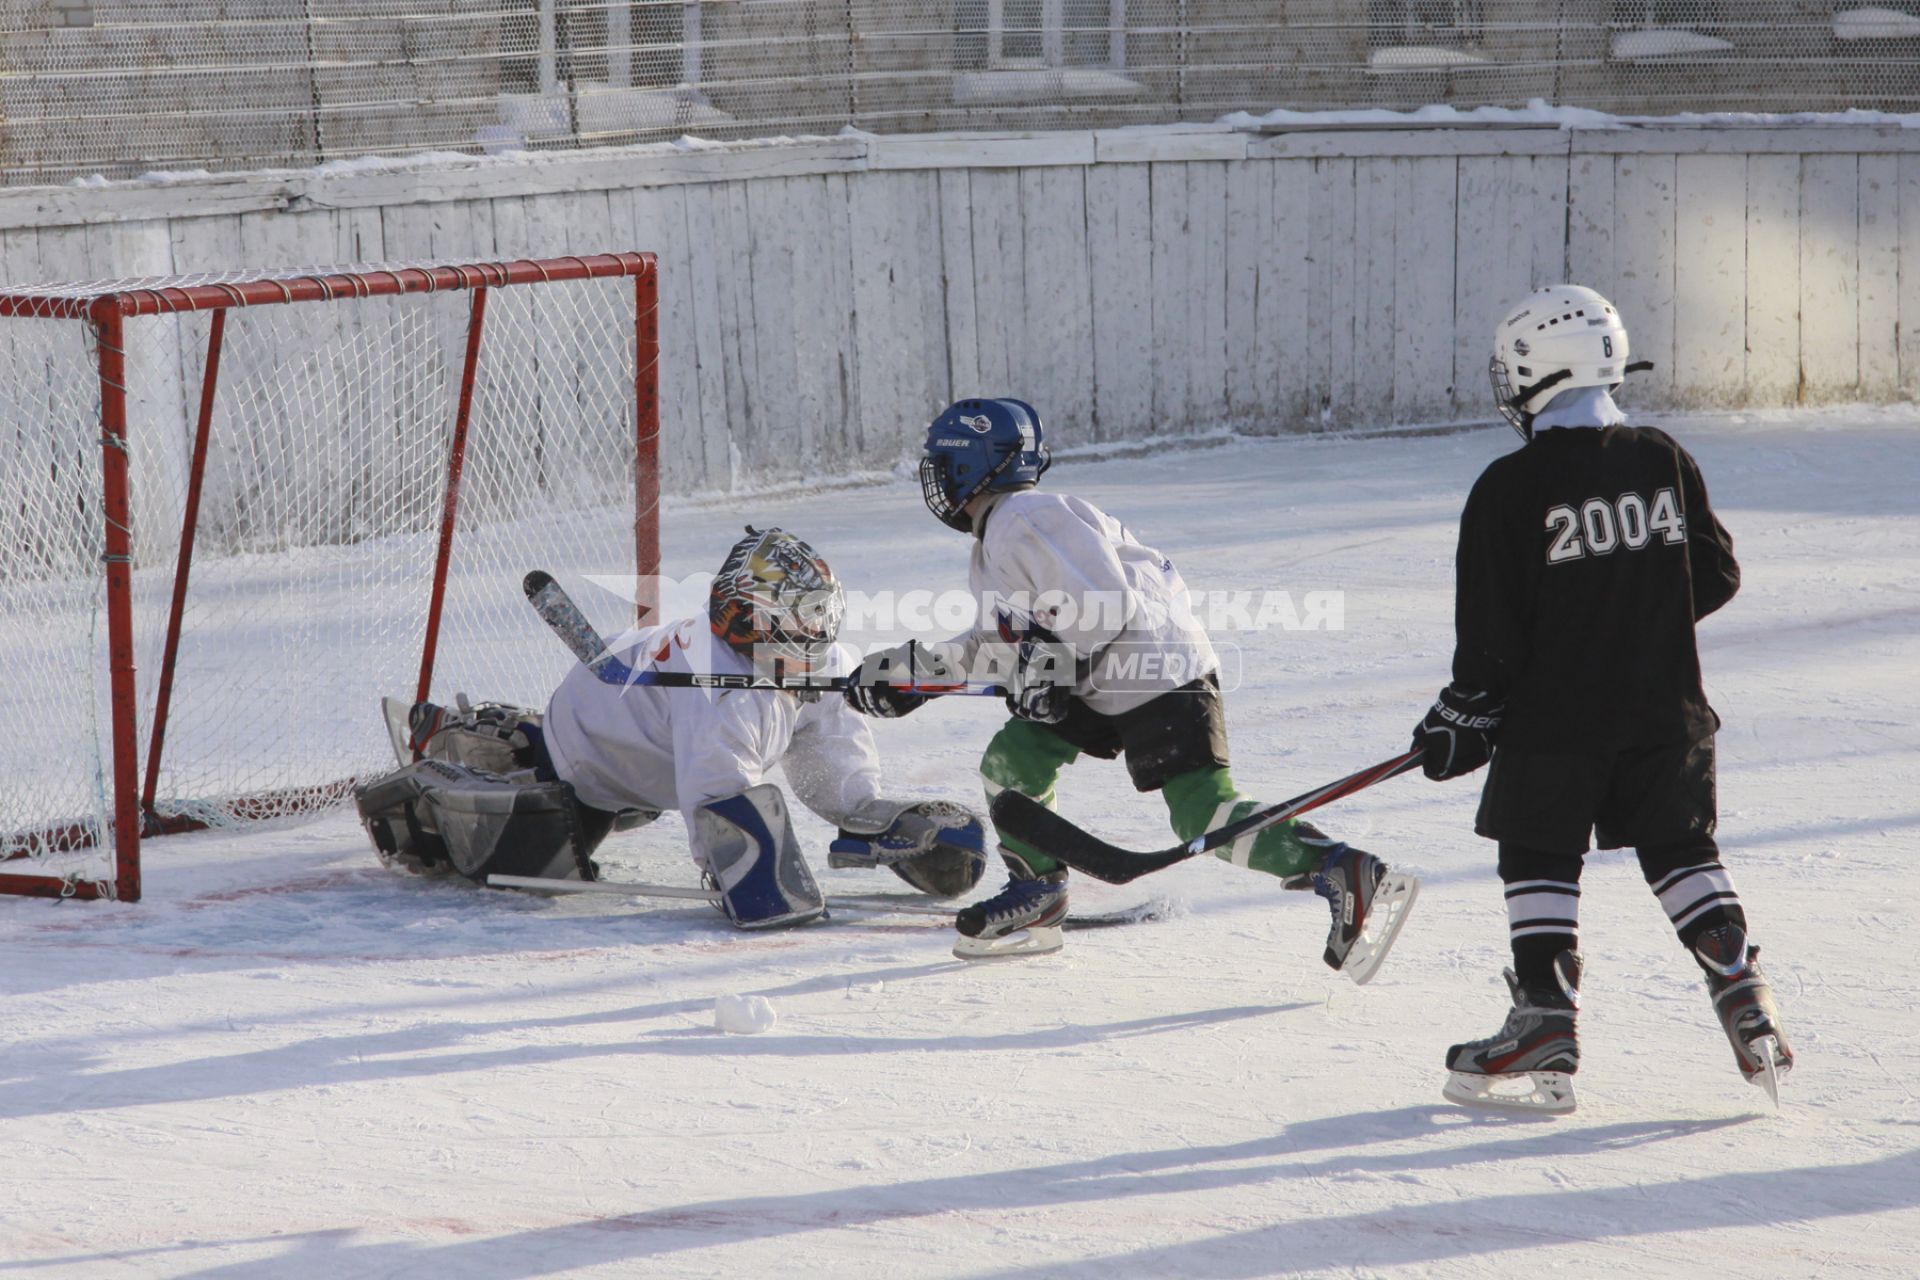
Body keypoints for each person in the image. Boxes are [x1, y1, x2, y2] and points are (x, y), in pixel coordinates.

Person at [843, 398, 1418, 968]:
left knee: (1198, 811)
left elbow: (1102, 607)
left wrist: (1045, 667)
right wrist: (909, 675)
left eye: (944, 462)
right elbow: (997, 645)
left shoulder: (1025, 517)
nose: (936, 477)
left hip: (1154, 671)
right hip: (1110, 675)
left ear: (975, 462)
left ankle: (1341, 868)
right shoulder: (998, 538)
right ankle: (1039, 893)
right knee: (1014, 760)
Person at [1412, 284, 1793, 1114]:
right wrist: (1629, 617)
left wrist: (1462, 716)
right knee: (1681, 849)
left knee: (1539, 849)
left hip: (1557, 723)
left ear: (1533, 373)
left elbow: (1491, 639)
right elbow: (1716, 573)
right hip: (1668, 713)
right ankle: (1743, 991)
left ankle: (1545, 1019)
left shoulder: (1508, 488)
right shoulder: (1662, 457)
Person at [358, 527, 985, 927]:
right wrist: (743, 874)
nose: (818, 636)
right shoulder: (722, 697)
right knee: (538, 853)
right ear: (752, 623)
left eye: (823, 618)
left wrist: (871, 815)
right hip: (593, 750)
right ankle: (468, 735)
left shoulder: (816, 665)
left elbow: (826, 760)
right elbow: (718, 802)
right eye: (803, 622)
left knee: (619, 804)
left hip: (650, 759)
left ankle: (524, 740)